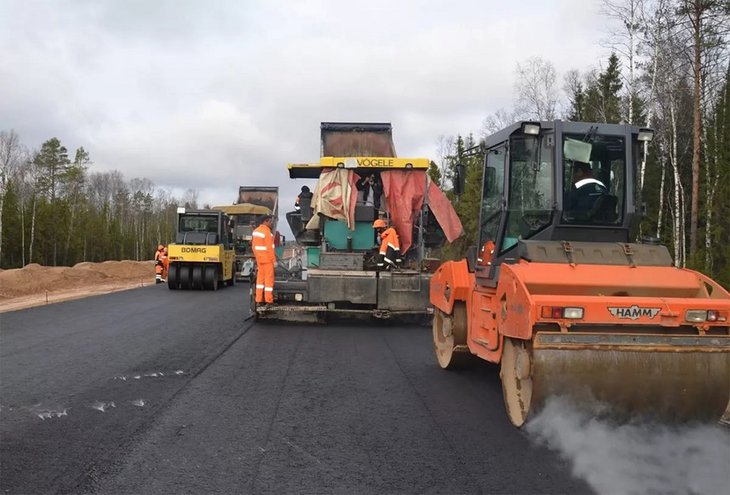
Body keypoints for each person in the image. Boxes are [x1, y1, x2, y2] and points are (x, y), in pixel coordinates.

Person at [252, 215, 276, 307]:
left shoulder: (255, 232)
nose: (271, 223)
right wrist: (274, 261)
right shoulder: (267, 233)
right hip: (268, 261)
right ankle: (268, 301)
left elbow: (254, 247)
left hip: (260, 261)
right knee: (269, 281)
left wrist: (258, 258)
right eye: (270, 222)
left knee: (260, 281)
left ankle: (258, 300)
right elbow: (270, 249)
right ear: (265, 221)